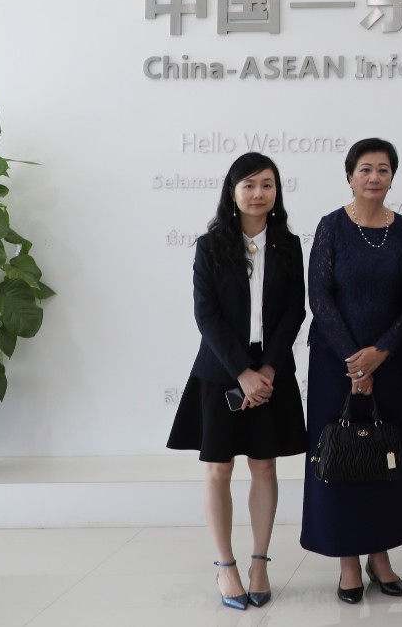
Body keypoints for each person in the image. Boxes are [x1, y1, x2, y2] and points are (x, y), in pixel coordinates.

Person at [167, 152, 307, 610]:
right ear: (232, 192)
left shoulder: (288, 244)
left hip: (271, 370)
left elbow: (294, 311)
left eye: (267, 184)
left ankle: (259, 563)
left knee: (264, 467)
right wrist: (242, 372)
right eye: (249, 185)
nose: (258, 193)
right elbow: (205, 314)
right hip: (221, 370)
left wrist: (266, 370)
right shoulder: (210, 246)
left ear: (276, 192)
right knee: (219, 469)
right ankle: (225, 566)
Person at [300, 138, 402, 603]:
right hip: (335, 362)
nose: (374, 177)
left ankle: (380, 554)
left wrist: (380, 352)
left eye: (383, 169)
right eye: (365, 169)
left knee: (383, 457)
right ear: (349, 176)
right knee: (340, 457)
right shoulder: (331, 227)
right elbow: (320, 296)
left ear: (392, 178)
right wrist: (355, 360)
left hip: (391, 362)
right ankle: (348, 559)